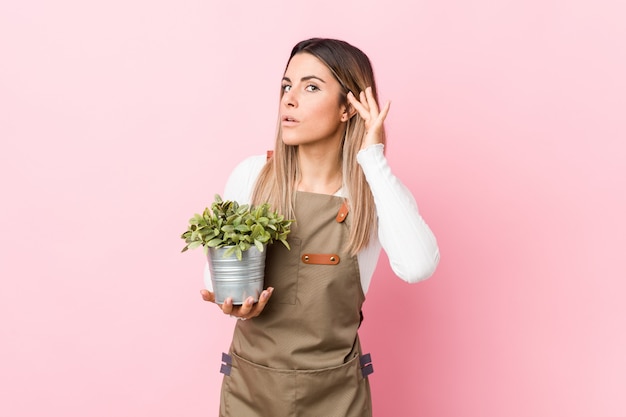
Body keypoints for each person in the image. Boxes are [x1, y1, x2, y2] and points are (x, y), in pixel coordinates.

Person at [199, 38, 440, 417]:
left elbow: (418, 265)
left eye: (310, 86)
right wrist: (234, 303)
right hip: (251, 392)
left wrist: (372, 158)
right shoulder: (252, 177)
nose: (289, 99)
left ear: (348, 107)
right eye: (285, 86)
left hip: (336, 399)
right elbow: (216, 280)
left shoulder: (371, 193)